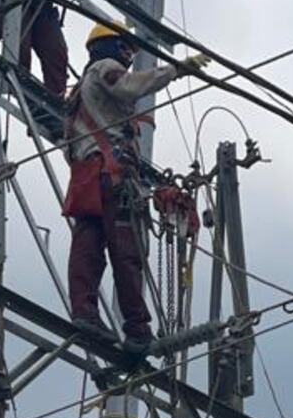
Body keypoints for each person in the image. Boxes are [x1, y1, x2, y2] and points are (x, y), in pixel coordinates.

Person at [62, 20, 208, 357]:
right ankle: (138, 330)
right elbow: (129, 87)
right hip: (110, 178)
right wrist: (175, 70)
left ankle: (84, 313)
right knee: (126, 253)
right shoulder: (105, 68)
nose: (129, 55)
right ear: (111, 45)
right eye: (126, 47)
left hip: (86, 178)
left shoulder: (78, 90)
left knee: (87, 248)